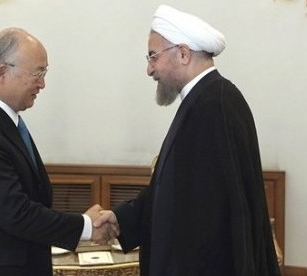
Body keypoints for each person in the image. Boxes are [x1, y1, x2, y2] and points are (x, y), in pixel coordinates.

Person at [95, 4, 281, 276]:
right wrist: (122, 219)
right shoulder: (202, 100)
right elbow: (175, 191)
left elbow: (213, 219)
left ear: (183, 53)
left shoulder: (215, 105)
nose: (149, 69)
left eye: (153, 57)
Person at [0, 27, 115, 276]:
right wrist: (86, 226)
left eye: (45, 72)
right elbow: (16, 213)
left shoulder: (2, 119)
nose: (42, 83)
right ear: (1, 72)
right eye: (37, 73)